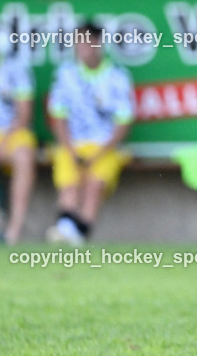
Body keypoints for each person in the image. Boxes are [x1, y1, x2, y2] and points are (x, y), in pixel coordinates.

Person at [46, 23, 134, 244]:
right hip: (71, 144)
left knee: (94, 185)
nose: (81, 48)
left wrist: (99, 153)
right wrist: (70, 148)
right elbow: (58, 116)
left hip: (105, 146)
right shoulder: (66, 74)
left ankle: (72, 234)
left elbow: (123, 123)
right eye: (78, 43)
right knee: (69, 186)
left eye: (86, 42)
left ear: (98, 43)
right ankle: (71, 234)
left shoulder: (117, 76)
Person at [0, 27, 36, 244]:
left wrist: (4, 142)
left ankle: (14, 230)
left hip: (13, 133)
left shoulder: (14, 67)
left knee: (24, 156)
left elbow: (24, 113)